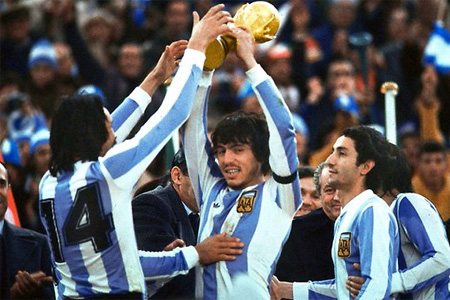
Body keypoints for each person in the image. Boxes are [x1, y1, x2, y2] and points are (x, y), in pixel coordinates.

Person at [39, 5, 243, 299]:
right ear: (93, 134)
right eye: (105, 123)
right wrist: (197, 49)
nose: (112, 126)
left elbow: (122, 262)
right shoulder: (108, 172)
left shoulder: (49, 181)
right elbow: (173, 115)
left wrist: (155, 77)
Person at [183, 26, 301, 299]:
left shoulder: (279, 196)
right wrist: (205, 69)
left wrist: (250, 62)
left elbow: (283, 128)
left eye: (237, 150)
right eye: (221, 151)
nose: (226, 159)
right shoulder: (211, 189)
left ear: (261, 154)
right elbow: (192, 133)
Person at [271, 125, 398, 299]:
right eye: (333, 152)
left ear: (365, 167)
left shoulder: (372, 211)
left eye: (342, 153)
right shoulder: (345, 217)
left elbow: (377, 287)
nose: (330, 160)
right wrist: (288, 290)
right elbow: (343, 289)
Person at [347, 144, 450, 298]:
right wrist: (300, 290)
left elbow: (442, 259)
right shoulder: (370, 221)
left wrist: (384, 284)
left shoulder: (407, 203)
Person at [132, 148, 198, 299]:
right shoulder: (150, 205)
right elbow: (162, 272)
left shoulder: (205, 214)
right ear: (177, 176)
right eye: (202, 178)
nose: (210, 186)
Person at [275, 162, 340, 283]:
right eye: (299, 194)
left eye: (315, 196)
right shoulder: (266, 230)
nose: (306, 201)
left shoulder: (335, 236)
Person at [0, 161, 54, 299]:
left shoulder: (39, 244)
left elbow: (57, 293)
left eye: (1, 184)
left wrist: (36, 290)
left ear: (8, 189)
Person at [412, 140, 450, 222]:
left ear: (446, 164)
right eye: (427, 161)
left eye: (438, 161)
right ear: (418, 164)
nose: (433, 168)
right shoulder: (410, 191)